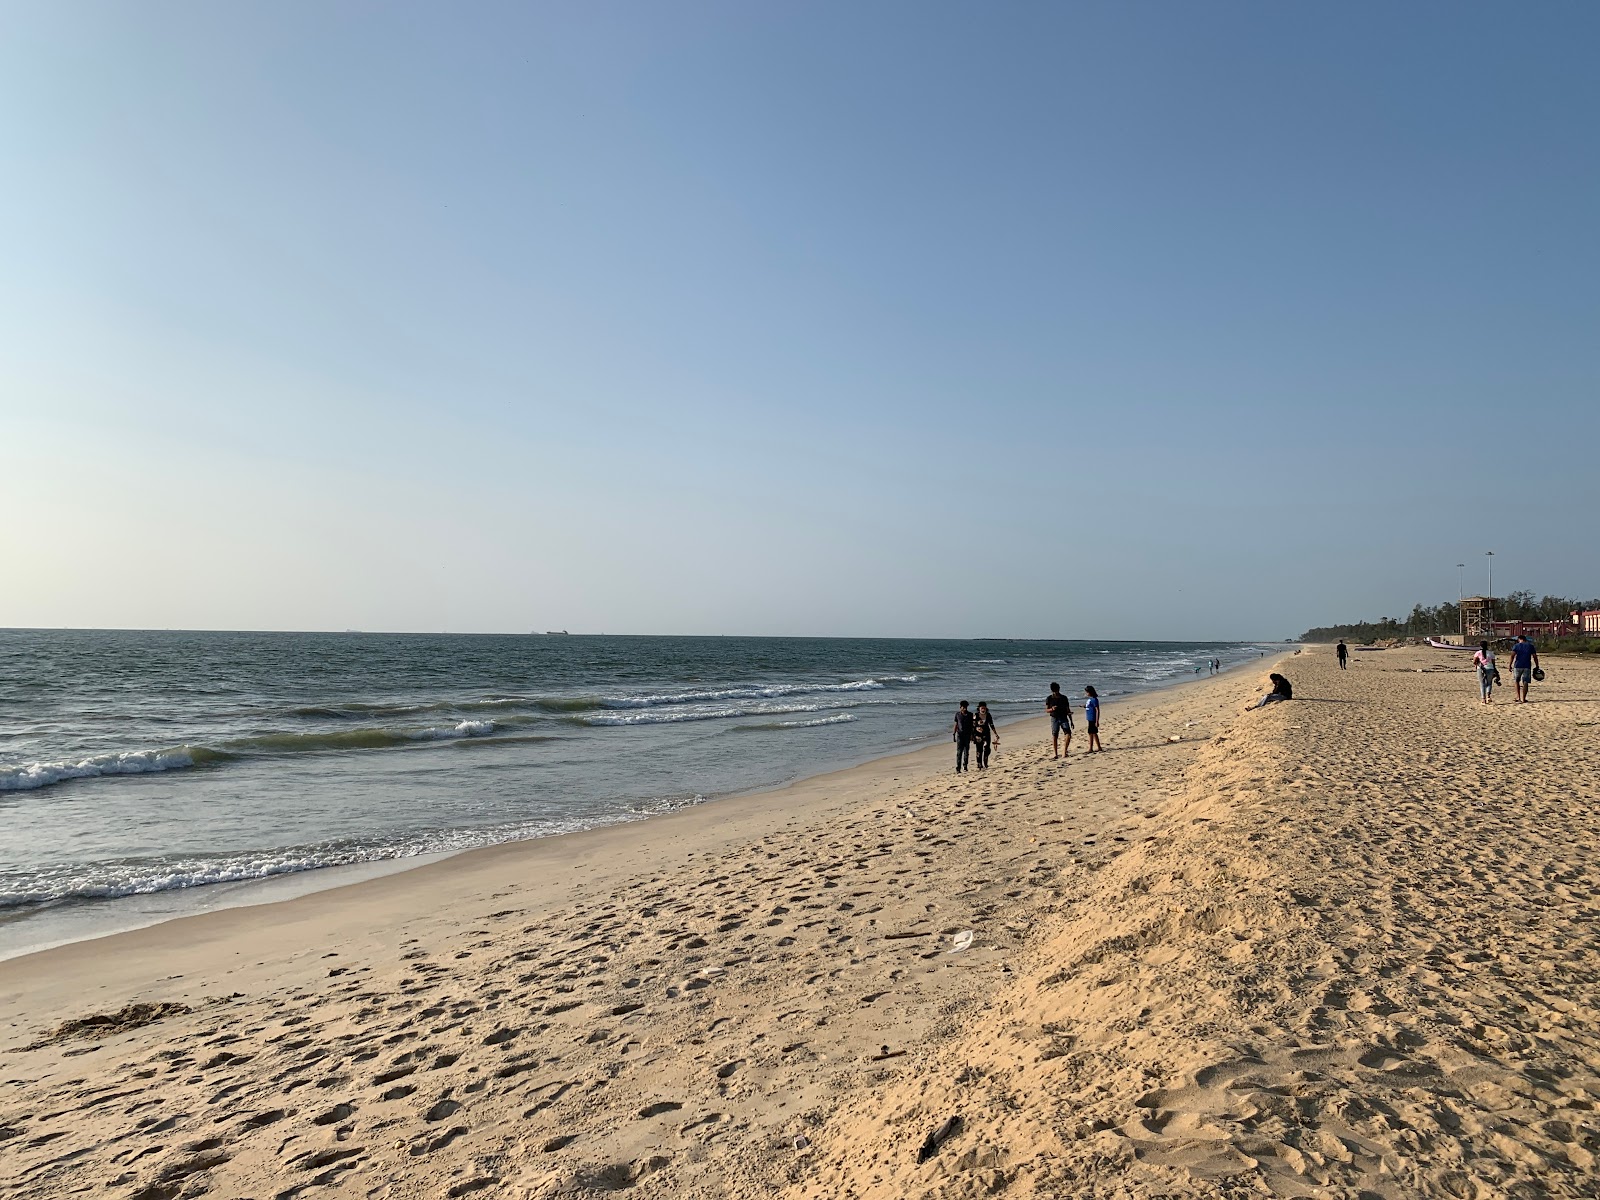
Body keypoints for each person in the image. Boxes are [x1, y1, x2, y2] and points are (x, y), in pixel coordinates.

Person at [1509, 635, 1540, 703]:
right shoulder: (1530, 646)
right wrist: (1537, 665)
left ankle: (1518, 697)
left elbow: (1512, 656)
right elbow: (1535, 657)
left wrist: (1510, 665)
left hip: (1517, 665)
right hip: (1527, 666)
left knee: (1517, 681)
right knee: (1525, 682)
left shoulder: (1516, 646)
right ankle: (1523, 698)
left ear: (1520, 639)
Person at [1045, 683, 1073, 758]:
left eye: (1056, 690)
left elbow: (1068, 709)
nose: (1055, 692)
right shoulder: (1049, 698)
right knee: (1055, 735)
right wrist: (1052, 709)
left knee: (1068, 733)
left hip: (1063, 717)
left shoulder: (1064, 698)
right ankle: (1055, 753)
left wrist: (1071, 720)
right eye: (1054, 690)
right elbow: (1047, 710)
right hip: (1054, 718)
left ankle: (1064, 751)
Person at [973, 701, 999, 769]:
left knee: (987, 749)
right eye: (982, 708)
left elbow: (991, 725)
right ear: (979, 708)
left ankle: (985, 763)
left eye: (984, 708)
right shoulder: (976, 715)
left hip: (986, 734)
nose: (983, 709)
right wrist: (972, 735)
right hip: (978, 735)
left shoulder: (988, 715)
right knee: (979, 750)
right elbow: (973, 726)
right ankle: (979, 764)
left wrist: (995, 733)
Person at [952, 700, 975, 772]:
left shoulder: (970, 715)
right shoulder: (957, 715)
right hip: (959, 735)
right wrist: (954, 734)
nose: (965, 709)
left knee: (966, 752)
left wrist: (972, 735)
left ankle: (965, 766)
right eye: (963, 707)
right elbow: (956, 724)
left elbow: (972, 726)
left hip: (967, 735)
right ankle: (958, 767)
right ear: (960, 707)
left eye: (966, 707)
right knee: (959, 752)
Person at [1083, 686, 1102, 752]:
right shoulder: (1090, 699)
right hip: (1089, 718)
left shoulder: (1094, 699)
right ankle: (1095, 747)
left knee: (1092, 733)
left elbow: (1097, 710)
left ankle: (1093, 748)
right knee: (1092, 733)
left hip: (1093, 718)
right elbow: (1089, 706)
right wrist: (1084, 706)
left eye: (1087, 692)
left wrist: (1097, 721)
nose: (1086, 693)